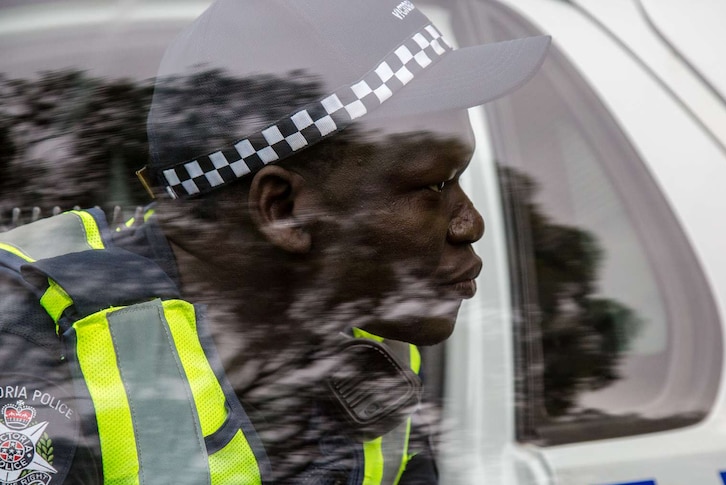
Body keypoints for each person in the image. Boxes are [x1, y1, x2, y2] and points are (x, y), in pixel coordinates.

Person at [0, 0, 549, 483]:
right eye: (434, 184)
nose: (470, 223)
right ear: (283, 210)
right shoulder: (33, 338)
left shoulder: (367, 329)